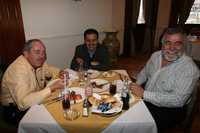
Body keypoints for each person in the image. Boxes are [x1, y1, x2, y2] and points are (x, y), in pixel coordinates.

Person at [130, 27, 200, 132]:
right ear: (162, 44)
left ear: (183, 46)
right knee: (122, 107)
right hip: (148, 98)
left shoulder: (189, 68)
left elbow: (178, 100)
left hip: (170, 110)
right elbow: (144, 72)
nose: (172, 47)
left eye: (177, 43)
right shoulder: (156, 55)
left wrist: (143, 94)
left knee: (135, 124)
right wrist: (136, 84)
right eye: (168, 43)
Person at [1, 39, 67, 124]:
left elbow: (48, 69)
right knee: (52, 119)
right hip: (15, 110)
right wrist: (51, 88)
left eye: (43, 52)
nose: (42, 56)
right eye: (37, 52)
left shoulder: (38, 61)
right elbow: (23, 103)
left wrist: (59, 71)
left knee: (59, 104)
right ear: (26, 54)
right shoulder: (18, 71)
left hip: (33, 100)